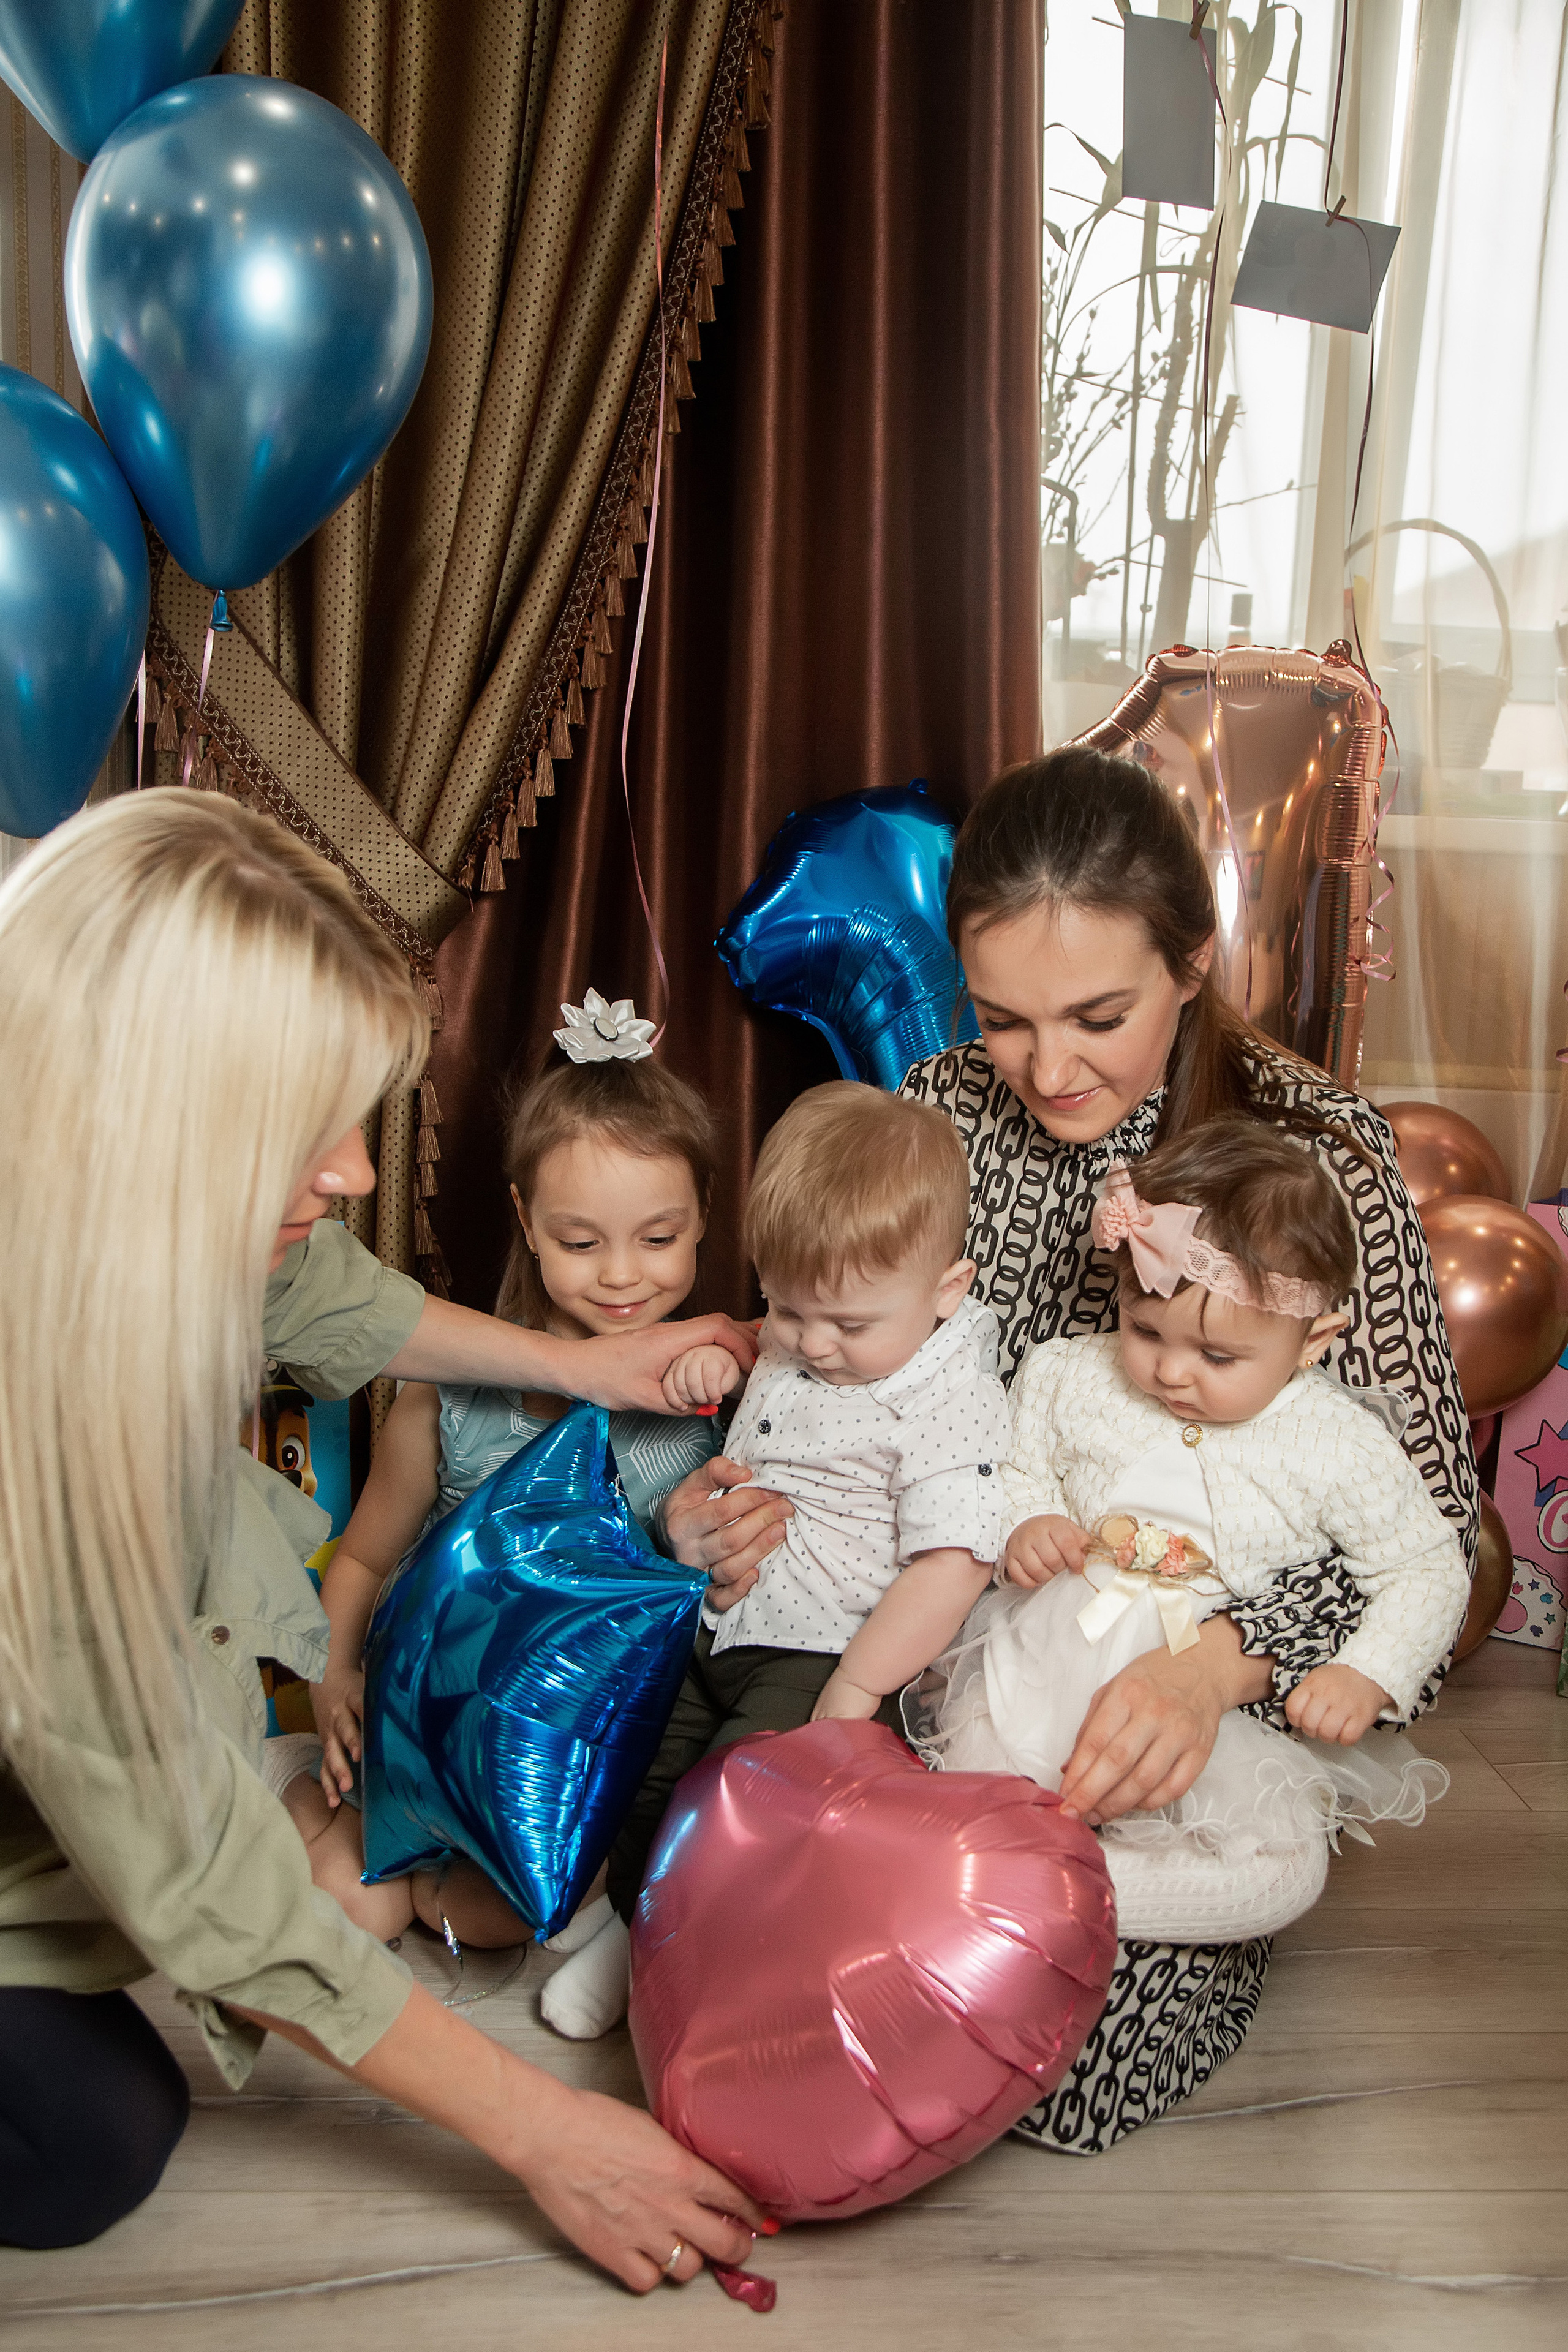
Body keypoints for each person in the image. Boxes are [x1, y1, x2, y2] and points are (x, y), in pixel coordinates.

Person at [0, 790, 765, 2284]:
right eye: (302, 1133)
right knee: (95, 2143)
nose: (351, 1170)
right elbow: (196, 1878)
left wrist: (583, 1368)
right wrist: (547, 2133)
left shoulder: (104, 1201)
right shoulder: (31, 1435)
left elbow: (324, 1299)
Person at [690, 746, 1477, 2154]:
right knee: (826, 1959)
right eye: (1003, 1019)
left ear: (1190, 963)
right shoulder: (937, 1114)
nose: (1046, 1070)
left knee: (1042, 2061)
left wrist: (1209, 1672)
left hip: (1190, 1696)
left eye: (1097, 1015)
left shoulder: (1317, 1155)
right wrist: (738, 1494)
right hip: (958, 1647)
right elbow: (822, 1353)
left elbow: (1429, 1538)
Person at [916, 1119, 1463, 1940]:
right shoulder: (1067, 1374)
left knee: (1275, 1864)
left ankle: (1072, 1892)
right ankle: (995, 1867)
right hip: (1041, 1657)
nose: (1171, 1372)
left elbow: (1426, 1568)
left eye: (1217, 1356)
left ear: (1312, 1341)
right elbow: (1016, 1466)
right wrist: (1033, 1518)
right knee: (971, 1784)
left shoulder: (1338, 1441)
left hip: (1211, 1705)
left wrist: (1367, 1671)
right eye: (1146, 1333)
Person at [543, 1082, 1010, 2040]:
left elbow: (953, 1563)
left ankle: (668, 1969)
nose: (815, 1345)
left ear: (946, 1291)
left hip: (821, 1654)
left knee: (732, 1825)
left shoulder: (948, 1397)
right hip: (723, 1619)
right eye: (791, 1309)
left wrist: (855, 1688)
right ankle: (625, 1919)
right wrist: (732, 1359)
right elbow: (773, 1360)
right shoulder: (806, 1332)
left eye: (847, 1324)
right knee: (641, 1776)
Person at [276, 1023, 728, 1951]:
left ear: (704, 1217)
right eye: (578, 1239)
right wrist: (333, 1680)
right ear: (525, 1220)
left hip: (544, 1755)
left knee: (480, 1920)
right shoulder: (446, 1400)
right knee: (352, 1901)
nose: (619, 1273)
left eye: (657, 1237)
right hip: (413, 1716)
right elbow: (361, 1558)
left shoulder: (715, 1415)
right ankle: (295, 1792)